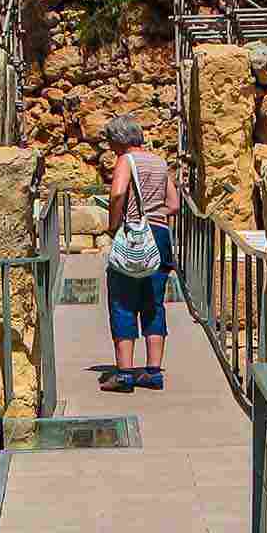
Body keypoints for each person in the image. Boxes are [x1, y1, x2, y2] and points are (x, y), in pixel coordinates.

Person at [100, 117, 178, 393]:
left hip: (135, 237)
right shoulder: (159, 162)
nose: (110, 148)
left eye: (111, 142)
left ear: (119, 140)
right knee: (153, 302)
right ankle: (153, 372)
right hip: (160, 236)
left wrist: (114, 223)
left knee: (122, 301)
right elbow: (174, 203)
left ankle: (124, 375)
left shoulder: (125, 160)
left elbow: (118, 193)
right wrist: (153, 216)